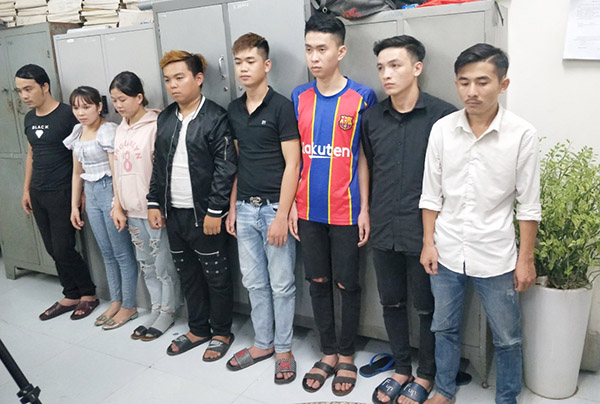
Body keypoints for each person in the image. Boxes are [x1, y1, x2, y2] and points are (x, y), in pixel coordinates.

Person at [419, 43, 541, 404]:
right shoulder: (442, 130)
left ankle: (507, 398)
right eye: (464, 82)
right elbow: (431, 194)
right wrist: (428, 242)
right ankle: (444, 390)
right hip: (446, 249)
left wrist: (526, 259)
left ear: (503, 84)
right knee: (443, 327)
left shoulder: (522, 134)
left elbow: (529, 205)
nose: (472, 91)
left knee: (507, 337)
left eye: (482, 82)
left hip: (496, 253)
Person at [362, 35, 456, 404]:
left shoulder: (443, 117)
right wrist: (366, 211)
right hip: (384, 224)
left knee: (426, 307)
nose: (386, 74)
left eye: (395, 65)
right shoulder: (372, 117)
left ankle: (427, 374)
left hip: (425, 231)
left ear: (417, 68)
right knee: (391, 302)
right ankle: (401, 367)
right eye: (381, 67)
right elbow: (370, 165)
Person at [290, 13, 377, 396]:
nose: (314, 57)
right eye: (309, 49)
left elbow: (363, 157)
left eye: (322, 49)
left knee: (347, 284)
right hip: (307, 210)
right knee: (318, 282)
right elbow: (295, 158)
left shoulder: (362, 97)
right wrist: (290, 207)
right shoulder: (299, 97)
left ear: (340, 51)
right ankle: (327, 352)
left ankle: (346, 354)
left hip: (346, 211)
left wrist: (365, 209)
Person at [147, 50, 237, 360]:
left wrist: (215, 210)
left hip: (205, 215)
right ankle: (198, 329)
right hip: (174, 213)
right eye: (168, 80)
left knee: (216, 275)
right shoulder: (166, 117)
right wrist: (154, 202)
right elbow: (159, 164)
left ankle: (222, 331)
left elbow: (225, 167)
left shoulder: (215, 116)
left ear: (198, 79)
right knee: (188, 274)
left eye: (179, 77)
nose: (172, 85)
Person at [224, 33, 301, 384]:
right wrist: (233, 207)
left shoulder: (282, 107)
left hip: (274, 209)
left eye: (250, 61)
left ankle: (283, 349)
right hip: (245, 208)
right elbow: (239, 162)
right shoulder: (234, 110)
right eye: (238, 62)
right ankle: (262, 344)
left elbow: (293, 165)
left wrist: (282, 215)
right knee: (254, 282)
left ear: (266, 65)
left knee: (282, 284)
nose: (243, 68)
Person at [15, 64, 98, 321]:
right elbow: (31, 155)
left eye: (28, 89)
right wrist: (26, 189)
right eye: (20, 91)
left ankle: (88, 294)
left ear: (45, 86)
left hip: (63, 191)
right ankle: (70, 294)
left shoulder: (67, 115)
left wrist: (81, 192)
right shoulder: (29, 119)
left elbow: (81, 154)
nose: (24, 96)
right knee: (52, 248)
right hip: (38, 191)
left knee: (63, 248)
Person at [109, 71, 181, 341]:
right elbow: (116, 171)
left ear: (139, 97)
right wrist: (118, 205)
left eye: (123, 99)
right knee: (146, 265)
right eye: (114, 100)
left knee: (163, 266)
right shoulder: (119, 129)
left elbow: (162, 170)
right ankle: (156, 308)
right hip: (131, 210)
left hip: (152, 210)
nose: (118, 105)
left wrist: (158, 205)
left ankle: (168, 312)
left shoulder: (155, 125)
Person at [63, 86, 139, 330]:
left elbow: (116, 171)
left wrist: (117, 203)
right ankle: (116, 301)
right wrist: (74, 206)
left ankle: (129, 305)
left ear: (98, 106)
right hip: (91, 193)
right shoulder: (77, 132)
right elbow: (77, 172)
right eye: (76, 107)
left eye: (86, 107)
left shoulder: (107, 130)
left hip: (109, 190)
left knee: (122, 253)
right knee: (106, 253)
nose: (81, 112)